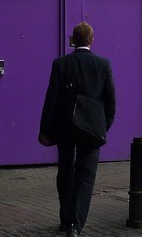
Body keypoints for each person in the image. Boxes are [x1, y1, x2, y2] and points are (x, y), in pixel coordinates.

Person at [38, 22, 116, 237]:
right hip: (91, 129)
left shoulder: (61, 64)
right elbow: (110, 101)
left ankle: (65, 218)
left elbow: (51, 99)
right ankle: (76, 224)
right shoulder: (103, 65)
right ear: (92, 40)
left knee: (65, 171)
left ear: (73, 40)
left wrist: (46, 130)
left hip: (66, 127)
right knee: (85, 175)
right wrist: (104, 125)